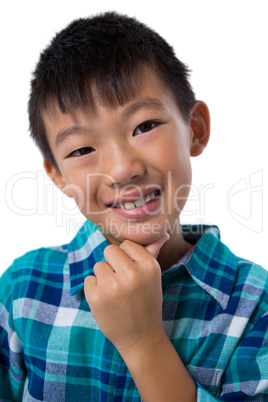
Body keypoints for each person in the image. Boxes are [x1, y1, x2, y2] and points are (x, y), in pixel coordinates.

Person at [0, 11, 267, 402]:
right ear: (58, 175)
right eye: (82, 149)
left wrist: (144, 343)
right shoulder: (23, 290)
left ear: (195, 128)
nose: (122, 168)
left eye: (143, 127)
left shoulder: (253, 304)